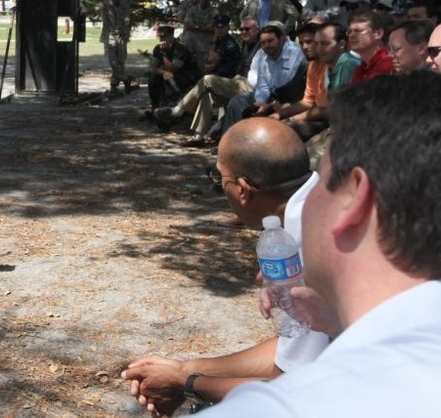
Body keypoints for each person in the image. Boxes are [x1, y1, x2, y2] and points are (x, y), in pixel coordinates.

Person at [200, 72, 441, 416]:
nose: (305, 199)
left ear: (354, 197)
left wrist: (189, 381)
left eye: (321, 180)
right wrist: (337, 322)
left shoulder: (296, 405)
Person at [121, 118, 325, 415]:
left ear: (243, 189)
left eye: (220, 180)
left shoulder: (306, 248)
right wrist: (188, 368)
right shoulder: (321, 203)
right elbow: (293, 349)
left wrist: (188, 384)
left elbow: (292, 387)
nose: (222, 191)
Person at [154, 14, 245, 146]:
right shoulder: (218, 42)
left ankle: (178, 111)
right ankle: (198, 137)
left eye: (222, 27)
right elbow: (209, 64)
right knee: (206, 96)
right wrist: (213, 46)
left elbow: (212, 63)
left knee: (207, 80)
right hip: (219, 80)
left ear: (228, 27)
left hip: (229, 81)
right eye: (216, 27)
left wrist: (212, 62)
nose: (219, 30)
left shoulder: (230, 44)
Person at [219, 23, 307, 132]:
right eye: (263, 43)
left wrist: (272, 105)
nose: (267, 46)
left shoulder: (295, 54)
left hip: (290, 97)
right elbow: (263, 86)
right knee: (237, 102)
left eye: (270, 41)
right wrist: (261, 103)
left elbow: (295, 87)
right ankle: (230, 141)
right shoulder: (263, 57)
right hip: (271, 96)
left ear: (281, 39)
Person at [147, 25, 201, 111]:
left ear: (171, 36)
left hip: (187, 75)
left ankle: (172, 107)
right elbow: (153, 67)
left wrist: (164, 54)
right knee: (153, 78)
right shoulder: (158, 48)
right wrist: (162, 72)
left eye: (164, 37)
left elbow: (172, 69)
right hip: (170, 73)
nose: (161, 39)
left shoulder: (180, 49)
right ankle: (155, 107)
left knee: (170, 78)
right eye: (160, 37)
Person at [98, 0, 133, 93]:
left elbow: (128, 20)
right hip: (110, 36)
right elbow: (94, 9)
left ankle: (114, 84)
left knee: (121, 61)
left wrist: (126, 31)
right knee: (112, 61)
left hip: (122, 35)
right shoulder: (105, 4)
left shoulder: (125, 5)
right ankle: (126, 79)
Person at [346, 10, 395, 82]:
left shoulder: (390, 65)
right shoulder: (360, 69)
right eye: (349, 32)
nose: (351, 35)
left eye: (358, 31)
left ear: (378, 33)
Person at [181, 0, 217, 75]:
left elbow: (212, 28)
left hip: (204, 46)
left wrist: (196, 27)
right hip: (190, 44)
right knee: (186, 66)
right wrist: (202, 28)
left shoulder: (214, 12)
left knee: (202, 70)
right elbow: (188, 25)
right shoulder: (191, 10)